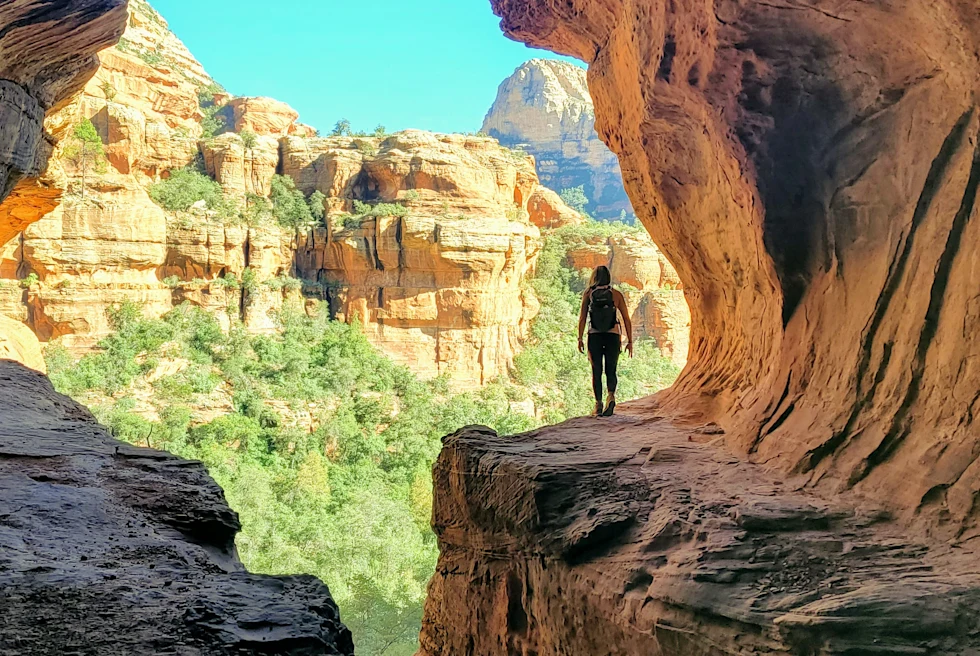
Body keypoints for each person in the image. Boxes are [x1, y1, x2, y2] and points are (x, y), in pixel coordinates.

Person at [577, 265, 633, 417]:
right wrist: (630, 341)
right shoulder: (616, 294)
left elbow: (582, 318)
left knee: (596, 370)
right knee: (611, 369)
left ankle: (598, 404)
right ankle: (611, 396)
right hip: (613, 336)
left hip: (594, 335)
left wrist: (580, 338)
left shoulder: (589, 293)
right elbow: (626, 319)